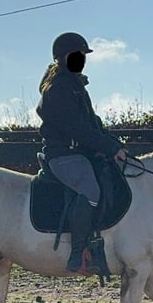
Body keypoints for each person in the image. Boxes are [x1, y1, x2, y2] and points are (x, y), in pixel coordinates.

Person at [36, 32, 128, 275]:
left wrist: (114, 145)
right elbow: (76, 128)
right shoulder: (57, 89)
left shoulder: (76, 87)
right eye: (77, 56)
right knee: (91, 192)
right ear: (63, 58)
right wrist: (108, 147)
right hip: (64, 156)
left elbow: (92, 124)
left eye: (83, 56)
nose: (81, 60)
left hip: (79, 154)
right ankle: (77, 255)